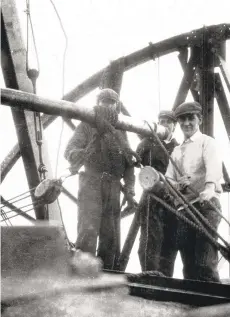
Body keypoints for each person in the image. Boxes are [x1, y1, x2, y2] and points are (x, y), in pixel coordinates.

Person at [64, 88, 135, 270]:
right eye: (104, 101)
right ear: (98, 103)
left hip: (113, 187)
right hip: (91, 183)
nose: (107, 105)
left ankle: (106, 277)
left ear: (116, 105)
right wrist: (82, 153)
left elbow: (129, 163)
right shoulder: (87, 125)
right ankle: (83, 278)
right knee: (88, 231)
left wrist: (130, 188)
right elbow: (70, 150)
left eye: (111, 102)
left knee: (110, 236)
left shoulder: (121, 131)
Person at [162, 101, 223, 282]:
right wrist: (177, 185)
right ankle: (193, 305)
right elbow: (168, 180)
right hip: (185, 210)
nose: (186, 123)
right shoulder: (176, 151)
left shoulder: (207, 143)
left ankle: (212, 303)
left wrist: (209, 188)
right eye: (182, 120)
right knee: (188, 265)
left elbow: (213, 167)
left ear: (199, 120)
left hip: (206, 206)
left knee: (204, 262)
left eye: (191, 118)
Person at [136, 110, 178, 272]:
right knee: (149, 239)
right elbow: (134, 159)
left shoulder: (179, 147)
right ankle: (149, 275)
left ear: (174, 126)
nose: (164, 124)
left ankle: (166, 279)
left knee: (170, 240)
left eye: (168, 121)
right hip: (151, 198)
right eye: (161, 121)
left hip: (172, 198)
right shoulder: (148, 143)